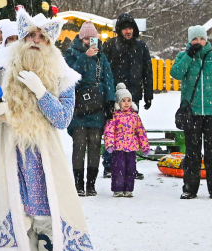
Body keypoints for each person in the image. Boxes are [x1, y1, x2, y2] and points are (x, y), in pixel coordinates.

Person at [0, 8, 92, 251]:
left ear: (51, 42)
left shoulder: (63, 75)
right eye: (30, 35)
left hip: (43, 156)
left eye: (42, 36)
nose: (35, 40)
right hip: (10, 151)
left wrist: (41, 92)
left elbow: (62, 118)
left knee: (46, 219)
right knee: (17, 216)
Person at [169, 26, 212, 201]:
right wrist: (189, 55)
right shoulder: (184, 57)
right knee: (192, 153)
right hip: (193, 112)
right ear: (190, 41)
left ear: (206, 40)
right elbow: (176, 74)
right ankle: (190, 188)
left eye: (201, 39)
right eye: (195, 39)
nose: (198, 42)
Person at [64, 22, 115, 197]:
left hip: (97, 105)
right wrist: (85, 57)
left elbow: (108, 78)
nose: (89, 41)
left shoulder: (102, 56)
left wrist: (110, 101)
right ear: (80, 38)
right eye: (86, 38)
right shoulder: (71, 53)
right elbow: (70, 76)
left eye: (92, 38)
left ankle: (91, 184)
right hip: (79, 105)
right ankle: (78, 183)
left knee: (94, 144)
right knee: (79, 144)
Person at [103, 83, 149, 197]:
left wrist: (145, 146)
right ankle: (117, 188)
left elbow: (140, 132)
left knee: (131, 169)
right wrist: (109, 144)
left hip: (131, 148)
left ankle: (128, 188)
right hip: (118, 148)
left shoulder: (135, 116)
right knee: (118, 169)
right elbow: (109, 131)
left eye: (129, 100)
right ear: (118, 102)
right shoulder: (114, 116)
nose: (126, 103)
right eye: (123, 100)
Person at [102, 13, 153, 112]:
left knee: (132, 124)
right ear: (120, 30)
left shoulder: (141, 47)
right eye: (125, 29)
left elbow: (147, 72)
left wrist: (148, 94)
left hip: (134, 94)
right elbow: (103, 70)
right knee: (115, 125)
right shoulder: (110, 45)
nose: (128, 31)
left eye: (130, 28)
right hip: (115, 94)